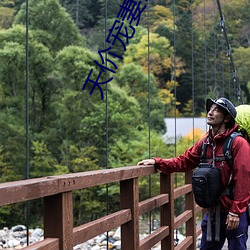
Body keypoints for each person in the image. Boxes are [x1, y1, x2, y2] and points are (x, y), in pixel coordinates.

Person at [137, 97, 250, 250]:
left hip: (233, 211)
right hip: (213, 211)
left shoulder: (238, 143)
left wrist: (236, 212)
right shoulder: (205, 143)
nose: (210, 112)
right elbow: (184, 161)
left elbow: (244, 178)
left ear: (227, 118)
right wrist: (157, 162)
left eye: (216, 110)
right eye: (210, 109)